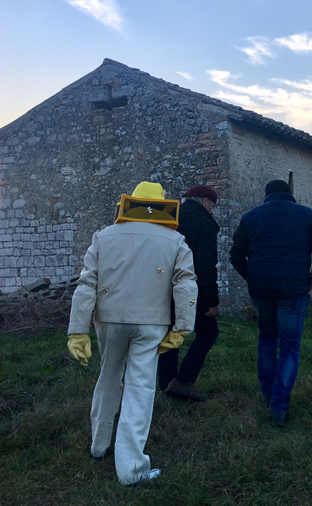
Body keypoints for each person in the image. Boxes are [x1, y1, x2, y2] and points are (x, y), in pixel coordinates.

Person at [66, 182, 198, 485]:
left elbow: (86, 284)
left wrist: (77, 330)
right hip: (152, 323)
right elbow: (186, 284)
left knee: (108, 375)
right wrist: (182, 328)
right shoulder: (176, 240)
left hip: (109, 320)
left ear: (130, 203)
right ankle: (132, 471)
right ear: (163, 205)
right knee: (140, 390)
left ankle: (98, 446)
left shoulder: (103, 236)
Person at [230, 180, 312, 427]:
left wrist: (252, 277)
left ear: (266, 196)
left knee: (266, 338)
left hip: (262, 291)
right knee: (289, 346)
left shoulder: (249, 217)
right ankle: (279, 407)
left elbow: (235, 254)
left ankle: (268, 395)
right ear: (290, 194)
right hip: (294, 291)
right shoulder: (306, 215)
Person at [158, 185, 220, 402]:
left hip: (163, 287)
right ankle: (183, 381)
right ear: (204, 202)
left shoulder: (167, 221)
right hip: (192, 289)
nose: (213, 211)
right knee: (208, 332)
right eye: (213, 206)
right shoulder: (204, 224)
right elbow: (206, 265)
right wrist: (212, 301)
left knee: (170, 332)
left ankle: (166, 384)